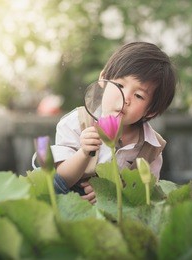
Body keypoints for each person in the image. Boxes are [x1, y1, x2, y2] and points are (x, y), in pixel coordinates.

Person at [52, 42, 176, 204]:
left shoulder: (151, 148)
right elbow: (62, 179)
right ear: (103, 79)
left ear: (151, 110)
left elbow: (148, 195)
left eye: (138, 95)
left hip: (119, 213)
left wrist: (112, 193)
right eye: (119, 85)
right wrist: (83, 152)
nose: (125, 99)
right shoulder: (76, 122)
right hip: (71, 203)